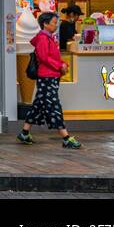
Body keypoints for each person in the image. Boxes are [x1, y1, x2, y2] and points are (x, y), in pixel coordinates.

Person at [19, 11, 80, 148]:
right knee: (54, 106)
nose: (56, 24)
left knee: (38, 105)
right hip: (47, 76)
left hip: (50, 76)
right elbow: (44, 57)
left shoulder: (48, 38)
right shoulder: (43, 38)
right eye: (53, 22)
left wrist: (62, 65)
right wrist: (60, 65)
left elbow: (50, 57)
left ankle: (24, 133)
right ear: (45, 24)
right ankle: (66, 137)